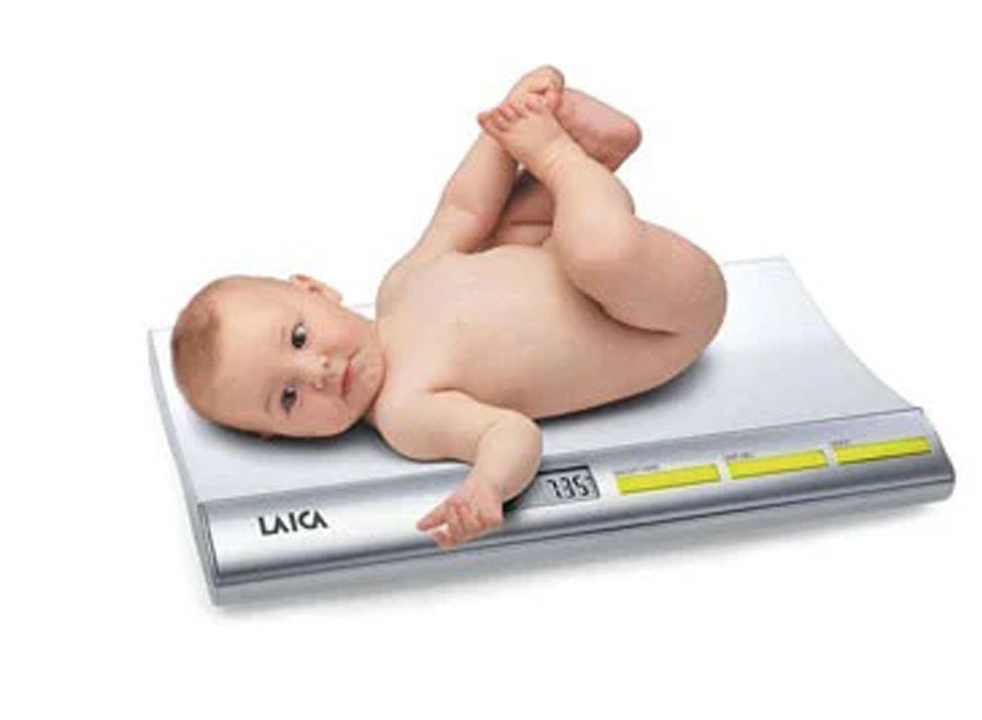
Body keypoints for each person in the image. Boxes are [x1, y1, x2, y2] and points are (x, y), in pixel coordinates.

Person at [170, 66, 727, 548]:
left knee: (505, 231)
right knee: (595, 249)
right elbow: (510, 433)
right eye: (288, 397)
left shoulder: (399, 286)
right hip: (661, 319)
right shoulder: (405, 413)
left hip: (603, 268)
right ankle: (564, 156)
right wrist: (487, 485)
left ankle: (587, 150)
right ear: (288, 437)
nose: (318, 371)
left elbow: (463, 210)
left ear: (314, 290)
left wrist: (500, 130)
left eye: (298, 338)